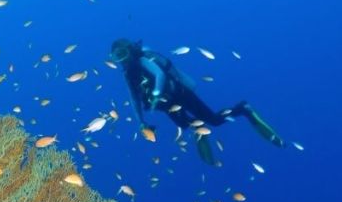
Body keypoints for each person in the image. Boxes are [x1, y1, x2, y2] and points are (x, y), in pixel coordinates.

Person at [109, 38, 283, 165]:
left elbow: (160, 74)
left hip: (181, 95)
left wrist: (156, 93)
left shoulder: (142, 61)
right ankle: (200, 130)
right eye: (117, 57)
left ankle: (243, 108)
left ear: (130, 51)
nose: (122, 60)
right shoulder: (127, 75)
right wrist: (140, 121)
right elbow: (134, 99)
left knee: (214, 120)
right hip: (167, 105)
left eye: (123, 54)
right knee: (185, 125)